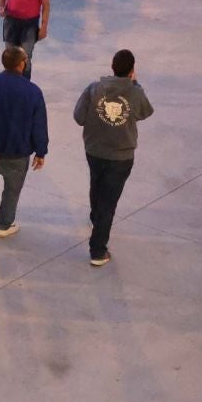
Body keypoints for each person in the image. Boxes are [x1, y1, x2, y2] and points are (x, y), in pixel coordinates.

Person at [72, 49, 154, 268]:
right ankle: (98, 250)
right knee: (109, 201)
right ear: (132, 70)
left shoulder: (94, 89)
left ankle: (95, 218)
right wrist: (134, 86)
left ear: (112, 66)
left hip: (94, 150)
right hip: (121, 155)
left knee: (96, 185)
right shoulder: (135, 93)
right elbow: (146, 112)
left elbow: (79, 117)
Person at [0, 48, 49, 246]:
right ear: (21, 64)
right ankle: (4, 226)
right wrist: (41, 151)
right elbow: (38, 124)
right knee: (12, 191)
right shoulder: (32, 91)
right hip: (17, 153)